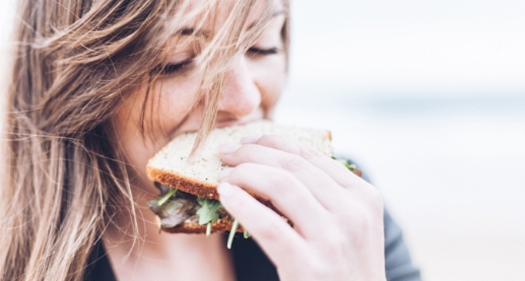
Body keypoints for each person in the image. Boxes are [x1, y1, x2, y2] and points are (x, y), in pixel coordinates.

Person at [0, 0, 422, 280]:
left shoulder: (342, 217)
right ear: (76, 85)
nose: (245, 99)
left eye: (262, 48)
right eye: (175, 62)